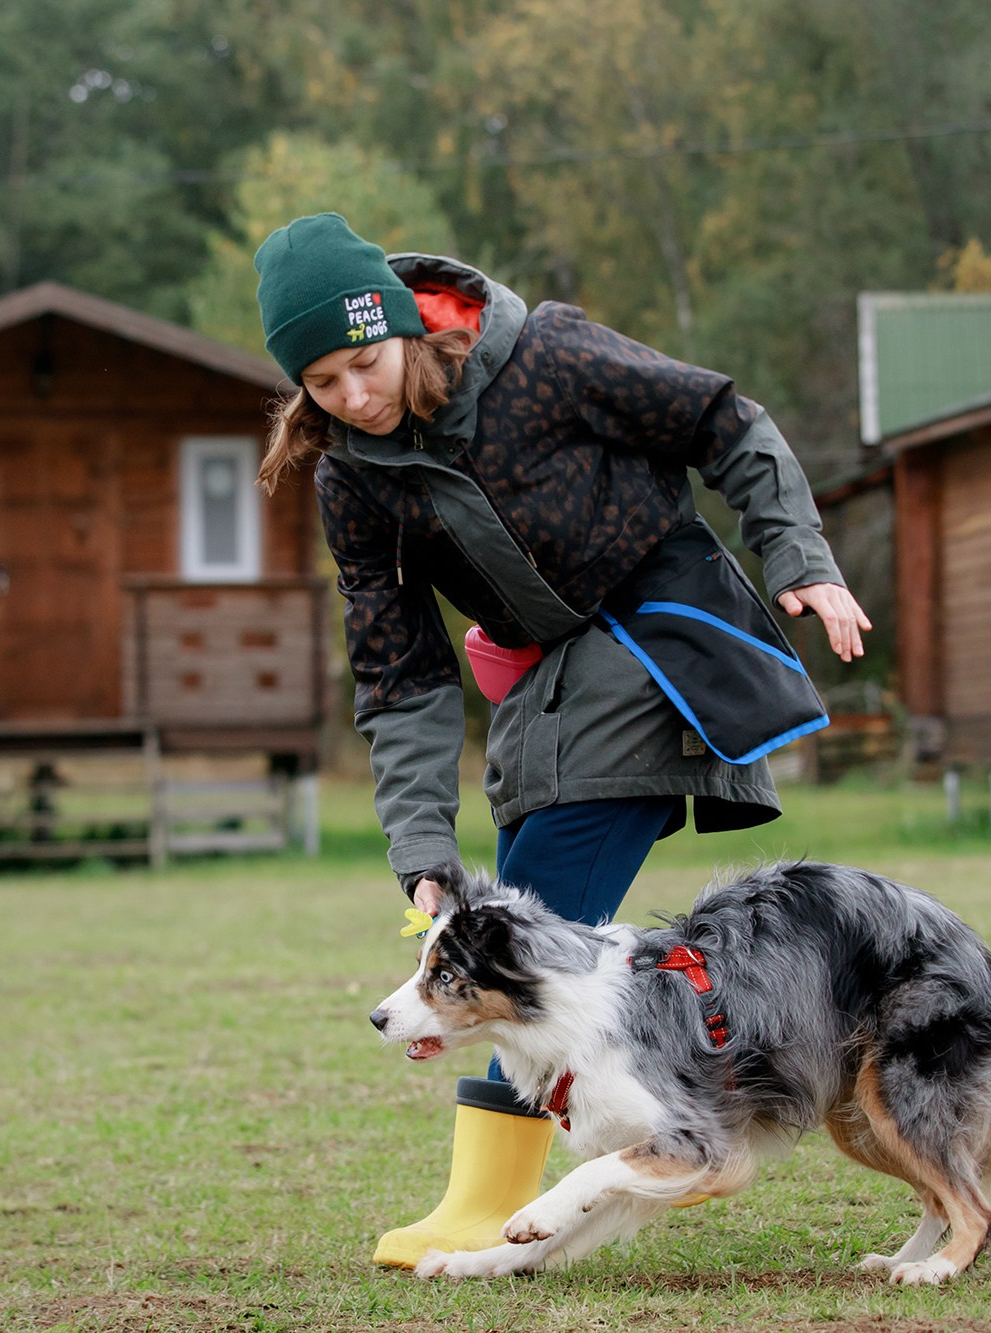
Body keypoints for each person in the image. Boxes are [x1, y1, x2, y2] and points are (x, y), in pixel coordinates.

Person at [251, 213, 870, 1269]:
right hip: (550, 669)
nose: (351, 397)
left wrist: (798, 555)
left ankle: (489, 1204)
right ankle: (660, 1127)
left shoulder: (546, 358)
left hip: (662, 634)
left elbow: (725, 420)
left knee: (533, 904)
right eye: (320, 384)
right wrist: (419, 852)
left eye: (363, 363)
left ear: (403, 325)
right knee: (508, 913)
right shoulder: (352, 477)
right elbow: (398, 673)